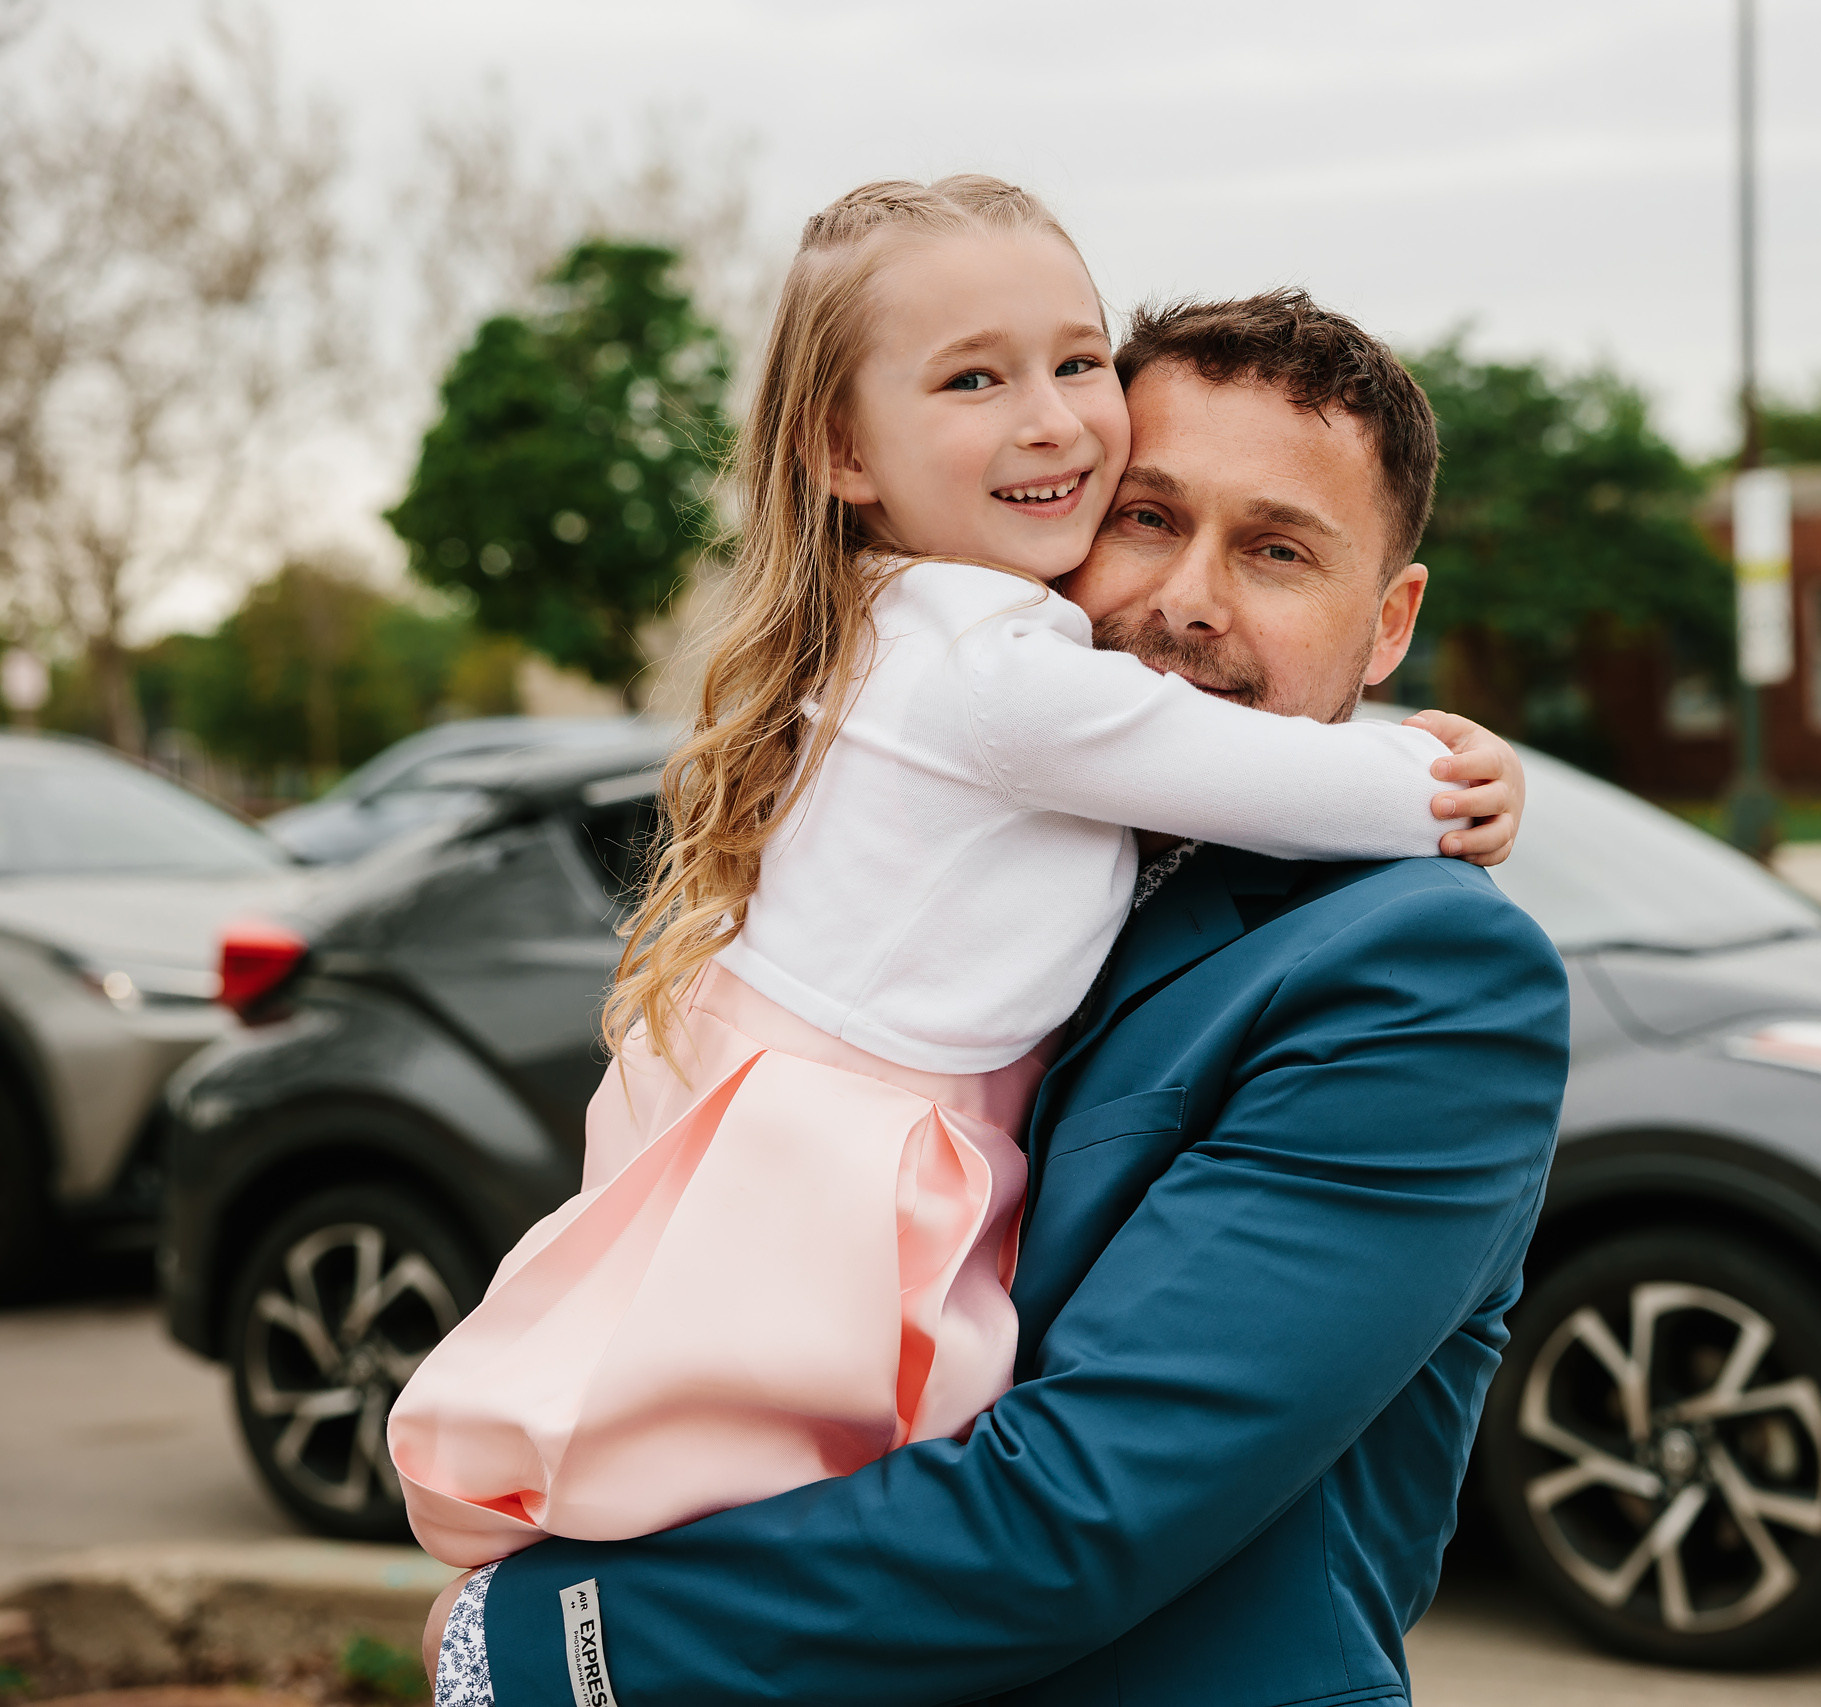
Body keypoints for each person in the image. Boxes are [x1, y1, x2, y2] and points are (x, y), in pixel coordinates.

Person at [426, 282, 1570, 1707]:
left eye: (1276, 551)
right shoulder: (984, 865)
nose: (1187, 599)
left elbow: (1079, 1508)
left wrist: (538, 1642)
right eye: (1145, 519)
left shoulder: (1421, 973)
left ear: (1388, 625)